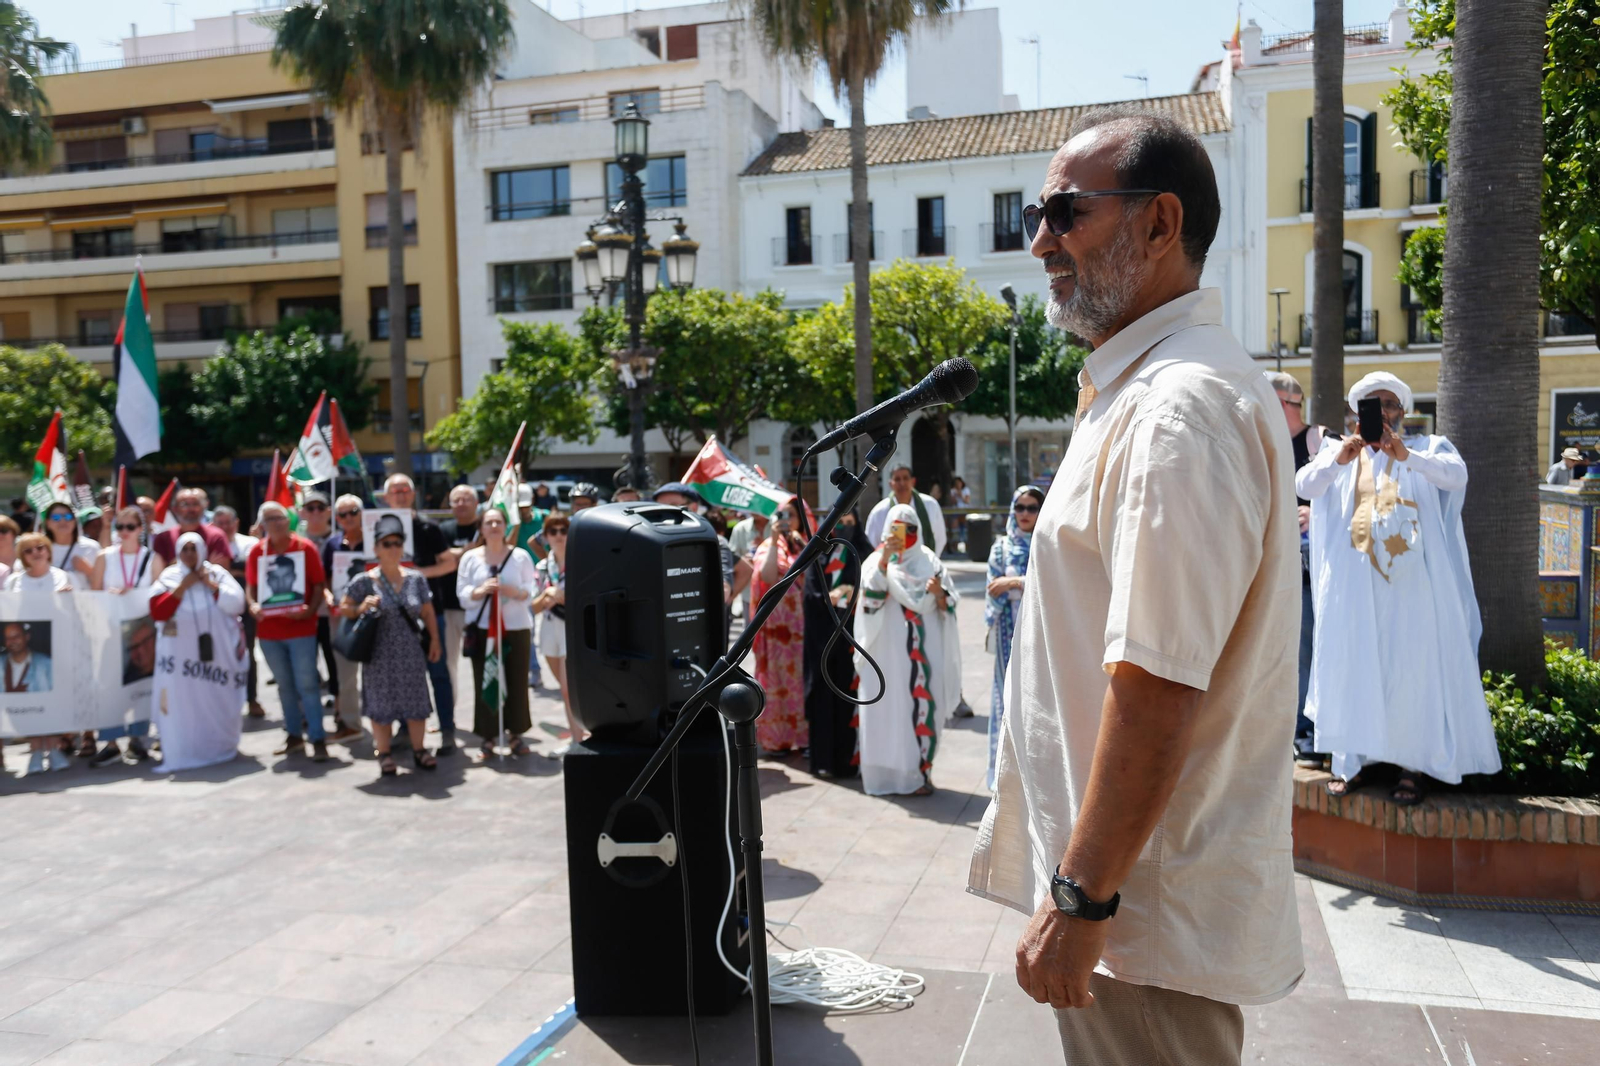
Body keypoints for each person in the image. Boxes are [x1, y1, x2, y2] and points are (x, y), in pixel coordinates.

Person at [969, 108, 1304, 1059]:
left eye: (1066, 212)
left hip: (1140, 920)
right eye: (1036, 213)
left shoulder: (1176, 412)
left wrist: (1083, 898)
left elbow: (1157, 684)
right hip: (1131, 905)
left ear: (1160, 224)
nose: (1040, 240)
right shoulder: (1145, 390)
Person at [1298, 371, 1502, 805]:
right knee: (1353, 671)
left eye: (1390, 404)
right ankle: (1351, 764)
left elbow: (1456, 477)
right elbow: (1303, 485)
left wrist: (1405, 455)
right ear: (1357, 412)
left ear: (1403, 412)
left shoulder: (1426, 450)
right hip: (1351, 596)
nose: (1383, 412)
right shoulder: (1337, 451)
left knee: (1410, 675)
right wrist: (1339, 460)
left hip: (1410, 595)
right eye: (1374, 404)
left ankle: (1413, 767)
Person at [854, 504, 960, 795]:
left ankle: (920, 775)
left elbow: (949, 604)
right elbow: (869, 603)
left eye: (910, 528)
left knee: (925, 707)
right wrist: (886, 560)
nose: (905, 534)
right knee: (890, 712)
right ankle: (889, 778)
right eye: (898, 528)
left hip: (926, 652)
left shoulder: (930, 561)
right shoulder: (875, 562)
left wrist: (939, 594)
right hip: (886, 654)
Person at [340, 514, 442, 777]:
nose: (393, 548)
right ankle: (384, 753)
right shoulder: (363, 581)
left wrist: (435, 641)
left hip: (410, 653)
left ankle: (419, 750)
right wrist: (361, 607)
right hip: (378, 655)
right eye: (387, 544)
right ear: (375, 549)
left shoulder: (416, 579)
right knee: (381, 705)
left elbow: (428, 613)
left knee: (416, 702)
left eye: (397, 543)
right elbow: (345, 608)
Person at [149, 531, 248, 772]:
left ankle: (218, 746)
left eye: (195, 549)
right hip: (181, 665)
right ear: (178, 552)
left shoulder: (217, 573)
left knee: (216, 701)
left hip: (216, 661)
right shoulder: (169, 577)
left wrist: (210, 585)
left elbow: (237, 603)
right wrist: (184, 587)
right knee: (182, 706)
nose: (190, 554)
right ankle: (183, 750)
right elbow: (158, 612)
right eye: (185, 549)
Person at [1269, 371, 1328, 768]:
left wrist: (1315, 510)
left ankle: (1306, 732)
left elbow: (1348, 489)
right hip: (1272, 561)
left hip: (1311, 565)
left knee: (1308, 646)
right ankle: (1289, 730)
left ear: (1288, 403)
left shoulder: (1319, 440)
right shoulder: (1263, 441)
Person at [381, 474, 459, 753]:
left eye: (405, 490)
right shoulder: (378, 529)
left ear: (412, 495)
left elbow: (449, 563)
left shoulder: (428, 527)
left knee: (438, 674)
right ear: (386, 497)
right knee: (403, 676)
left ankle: (447, 730)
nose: (400, 495)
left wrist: (419, 574)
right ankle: (405, 729)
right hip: (393, 616)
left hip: (429, 613)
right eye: (395, 490)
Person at [246, 501, 329, 763]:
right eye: (271, 519)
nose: (278, 523)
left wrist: (308, 611)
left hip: (301, 628)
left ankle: (317, 738)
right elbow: (251, 587)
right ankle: (293, 735)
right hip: (269, 632)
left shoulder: (305, 548)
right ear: (263, 525)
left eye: (281, 518)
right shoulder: (257, 552)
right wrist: (253, 605)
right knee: (285, 686)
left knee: (307, 684)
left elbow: (318, 585)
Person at [457, 507, 537, 758]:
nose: (493, 526)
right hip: (483, 630)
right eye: (488, 522)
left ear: (506, 526)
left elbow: (531, 588)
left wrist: (515, 592)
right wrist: (480, 591)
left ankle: (516, 734)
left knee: (516, 680)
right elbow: (462, 594)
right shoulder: (470, 558)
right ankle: (488, 736)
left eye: (498, 522)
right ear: (481, 528)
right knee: (485, 679)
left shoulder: (521, 556)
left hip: (515, 628)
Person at [89, 505, 165, 765]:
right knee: (109, 688)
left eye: (129, 527)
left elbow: (158, 594)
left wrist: (133, 593)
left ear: (140, 529)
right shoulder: (105, 556)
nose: (123, 532)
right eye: (119, 527)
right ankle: (110, 743)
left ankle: (138, 739)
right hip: (111, 632)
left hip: (141, 634)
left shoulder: (152, 558)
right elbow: (95, 594)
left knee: (141, 687)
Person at [803, 507, 869, 779]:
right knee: (821, 698)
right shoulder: (819, 551)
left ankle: (848, 761)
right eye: (839, 522)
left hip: (852, 640)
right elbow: (812, 593)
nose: (843, 527)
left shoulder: (865, 551)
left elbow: (870, 588)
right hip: (821, 640)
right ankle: (822, 761)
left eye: (849, 522)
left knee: (848, 700)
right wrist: (831, 598)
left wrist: (848, 593)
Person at [984, 486, 1043, 790]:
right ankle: (1003, 776)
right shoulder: (1001, 548)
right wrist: (1018, 585)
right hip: (1008, 635)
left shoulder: (1048, 545)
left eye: (1032, 508)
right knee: (1005, 701)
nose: (1024, 514)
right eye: (1019, 507)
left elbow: (1053, 586)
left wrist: (1014, 582)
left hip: (1043, 639)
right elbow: (993, 591)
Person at [5, 534, 74, 776]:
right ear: (22, 557)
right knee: (30, 700)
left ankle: (54, 747)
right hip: (24, 650)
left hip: (56, 646)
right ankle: (36, 750)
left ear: (48, 551)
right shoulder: (14, 581)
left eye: (40, 547)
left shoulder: (60, 576)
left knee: (52, 699)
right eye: (28, 550)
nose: (36, 552)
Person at [748, 500, 809, 755]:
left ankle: (805, 739)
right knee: (777, 681)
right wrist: (774, 540)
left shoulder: (806, 543)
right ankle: (777, 740)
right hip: (776, 631)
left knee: (803, 680)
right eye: (783, 515)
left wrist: (803, 545)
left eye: (793, 515)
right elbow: (768, 576)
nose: (787, 520)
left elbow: (816, 577)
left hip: (804, 626)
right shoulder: (769, 546)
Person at [529, 512, 581, 754]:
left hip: (573, 630)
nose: (559, 535)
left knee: (569, 689)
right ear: (546, 537)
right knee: (566, 688)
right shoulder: (542, 567)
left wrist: (564, 597)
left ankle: (577, 740)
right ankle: (578, 733)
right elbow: (533, 607)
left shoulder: (582, 562)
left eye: (564, 530)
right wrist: (548, 596)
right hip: (549, 630)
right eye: (553, 531)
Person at [321, 494, 367, 741]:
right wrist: (328, 595)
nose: (348, 518)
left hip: (373, 613)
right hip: (342, 615)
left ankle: (387, 723)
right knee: (345, 673)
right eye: (342, 514)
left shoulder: (375, 540)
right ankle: (351, 723)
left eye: (353, 512)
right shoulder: (332, 544)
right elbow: (325, 579)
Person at [213, 505, 265, 718]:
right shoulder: (209, 544)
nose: (225, 527)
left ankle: (251, 698)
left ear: (236, 523)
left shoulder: (250, 544)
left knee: (247, 650)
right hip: (218, 607)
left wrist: (229, 568)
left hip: (245, 605)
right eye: (220, 523)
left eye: (229, 522)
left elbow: (255, 571)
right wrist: (236, 568)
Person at [437, 485, 481, 696]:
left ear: (477, 503)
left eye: (466, 499)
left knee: (481, 661)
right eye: (457, 500)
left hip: (479, 607)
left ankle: (486, 717)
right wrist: (464, 552)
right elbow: (439, 558)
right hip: (448, 606)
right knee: (448, 662)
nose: (461, 504)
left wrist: (454, 555)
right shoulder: (442, 530)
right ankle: (450, 711)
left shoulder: (484, 529)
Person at [865, 466, 948, 558]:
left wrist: (928, 563)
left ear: (913, 481)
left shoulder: (930, 505)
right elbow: (872, 543)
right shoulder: (879, 511)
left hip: (925, 567)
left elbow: (940, 538)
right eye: (897, 479)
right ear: (890, 484)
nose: (902, 483)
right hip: (890, 568)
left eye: (905, 478)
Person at [152, 488, 232, 571]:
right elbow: (159, 573)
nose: (191, 509)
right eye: (185, 504)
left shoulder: (216, 536)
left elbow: (221, 571)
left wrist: (177, 566)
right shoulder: (163, 538)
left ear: (204, 507)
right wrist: (205, 567)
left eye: (195, 504)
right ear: (175, 509)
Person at [41, 501, 99, 584]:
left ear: (74, 521)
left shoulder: (91, 547)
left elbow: (103, 584)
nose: (63, 521)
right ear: (47, 523)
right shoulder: (38, 550)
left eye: (68, 516)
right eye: (56, 517)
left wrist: (87, 569)